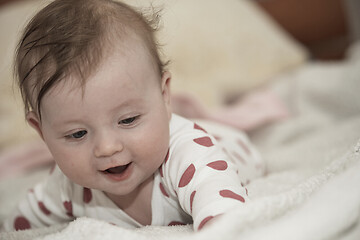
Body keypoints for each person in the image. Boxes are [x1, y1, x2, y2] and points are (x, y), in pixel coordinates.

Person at [1, 0, 264, 232]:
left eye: (128, 120)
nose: (107, 148)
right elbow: (17, 223)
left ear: (164, 95)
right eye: (77, 133)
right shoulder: (65, 188)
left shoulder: (190, 155)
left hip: (228, 145)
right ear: (41, 132)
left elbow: (225, 216)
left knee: (206, 137)